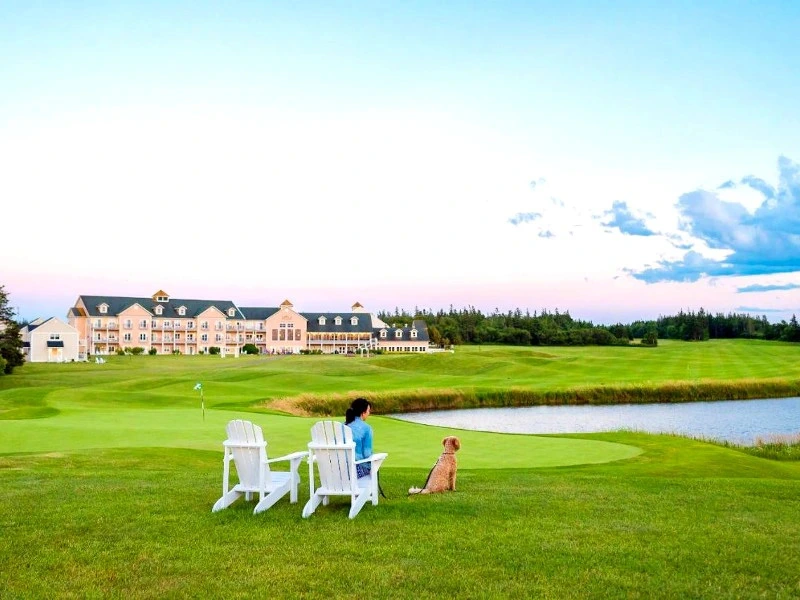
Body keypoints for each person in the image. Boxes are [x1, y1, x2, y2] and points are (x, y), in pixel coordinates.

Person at [345, 397, 373, 478]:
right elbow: (367, 454)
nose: (369, 413)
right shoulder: (366, 428)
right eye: (368, 411)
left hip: (339, 471)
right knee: (374, 467)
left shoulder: (342, 426)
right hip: (356, 470)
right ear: (363, 412)